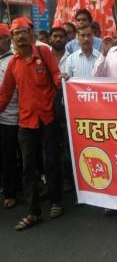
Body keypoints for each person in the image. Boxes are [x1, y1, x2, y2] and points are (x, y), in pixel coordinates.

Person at [0, 17, 64, 230]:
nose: (19, 36)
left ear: (32, 33)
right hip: (26, 122)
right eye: (15, 33)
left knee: (51, 161)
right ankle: (33, 212)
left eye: (23, 32)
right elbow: (5, 94)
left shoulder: (44, 54)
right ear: (13, 39)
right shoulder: (13, 64)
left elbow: (56, 75)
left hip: (48, 118)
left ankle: (56, 201)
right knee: (28, 168)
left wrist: (60, 79)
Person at [0, 23, 19, 209]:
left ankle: (11, 192)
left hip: (13, 117)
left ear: (7, 40)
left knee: (9, 156)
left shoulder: (13, 61)